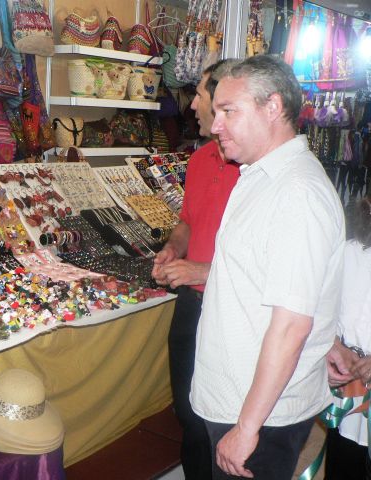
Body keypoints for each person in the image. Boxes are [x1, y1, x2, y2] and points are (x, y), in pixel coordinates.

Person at [190, 54, 345, 479]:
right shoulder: (260, 176)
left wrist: (246, 428)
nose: (216, 125)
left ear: (272, 107)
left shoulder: (296, 192)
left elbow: (291, 325)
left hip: (259, 414)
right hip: (240, 401)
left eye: (229, 111)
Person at [152, 59, 240, 480]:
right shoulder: (200, 159)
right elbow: (188, 221)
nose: (191, 106)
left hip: (232, 310)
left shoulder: (255, 171)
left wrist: (202, 271)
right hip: (191, 305)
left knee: (222, 419)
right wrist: (174, 248)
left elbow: (262, 261)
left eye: (200, 96)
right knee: (188, 413)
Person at [324, 194, 371, 480]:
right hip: (348, 384)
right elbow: (318, 313)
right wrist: (332, 349)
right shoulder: (344, 253)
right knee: (343, 463)